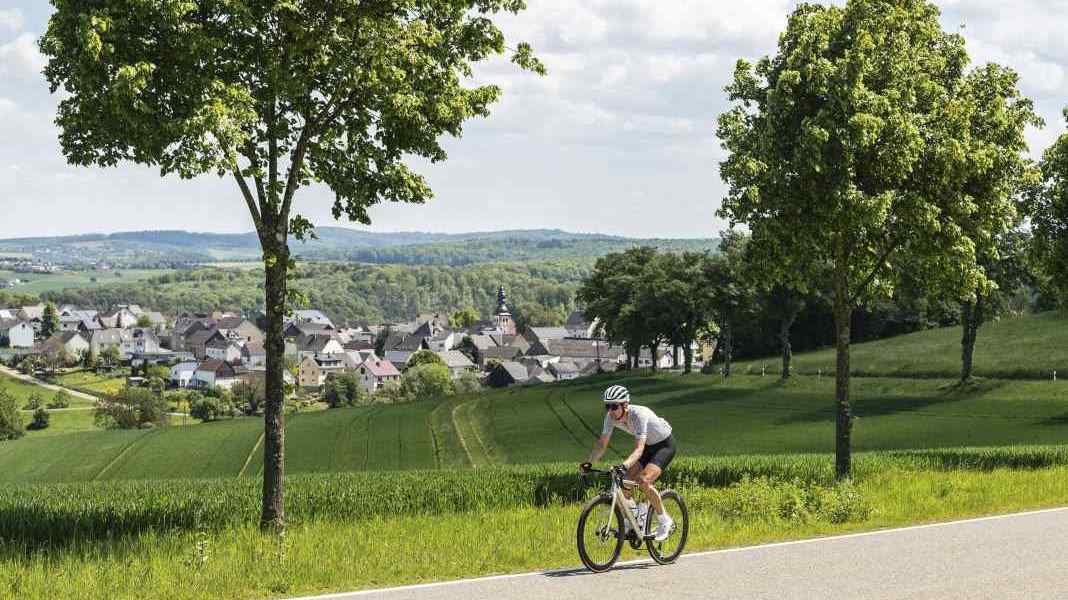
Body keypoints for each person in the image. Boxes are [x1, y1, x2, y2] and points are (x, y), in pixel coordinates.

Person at [580, 384, 677, 541]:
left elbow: (639, 449)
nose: (610, 411)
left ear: (625, 405)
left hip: (664, 445)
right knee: (624, 482)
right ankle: (634, 520)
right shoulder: (610, 417)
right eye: (607, 406)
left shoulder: (639, 415)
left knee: (643, 481)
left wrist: (624, 465)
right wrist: (588, 463)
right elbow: (602, 444)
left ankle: (665, 521)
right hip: (647, 446)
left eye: (614, 406)